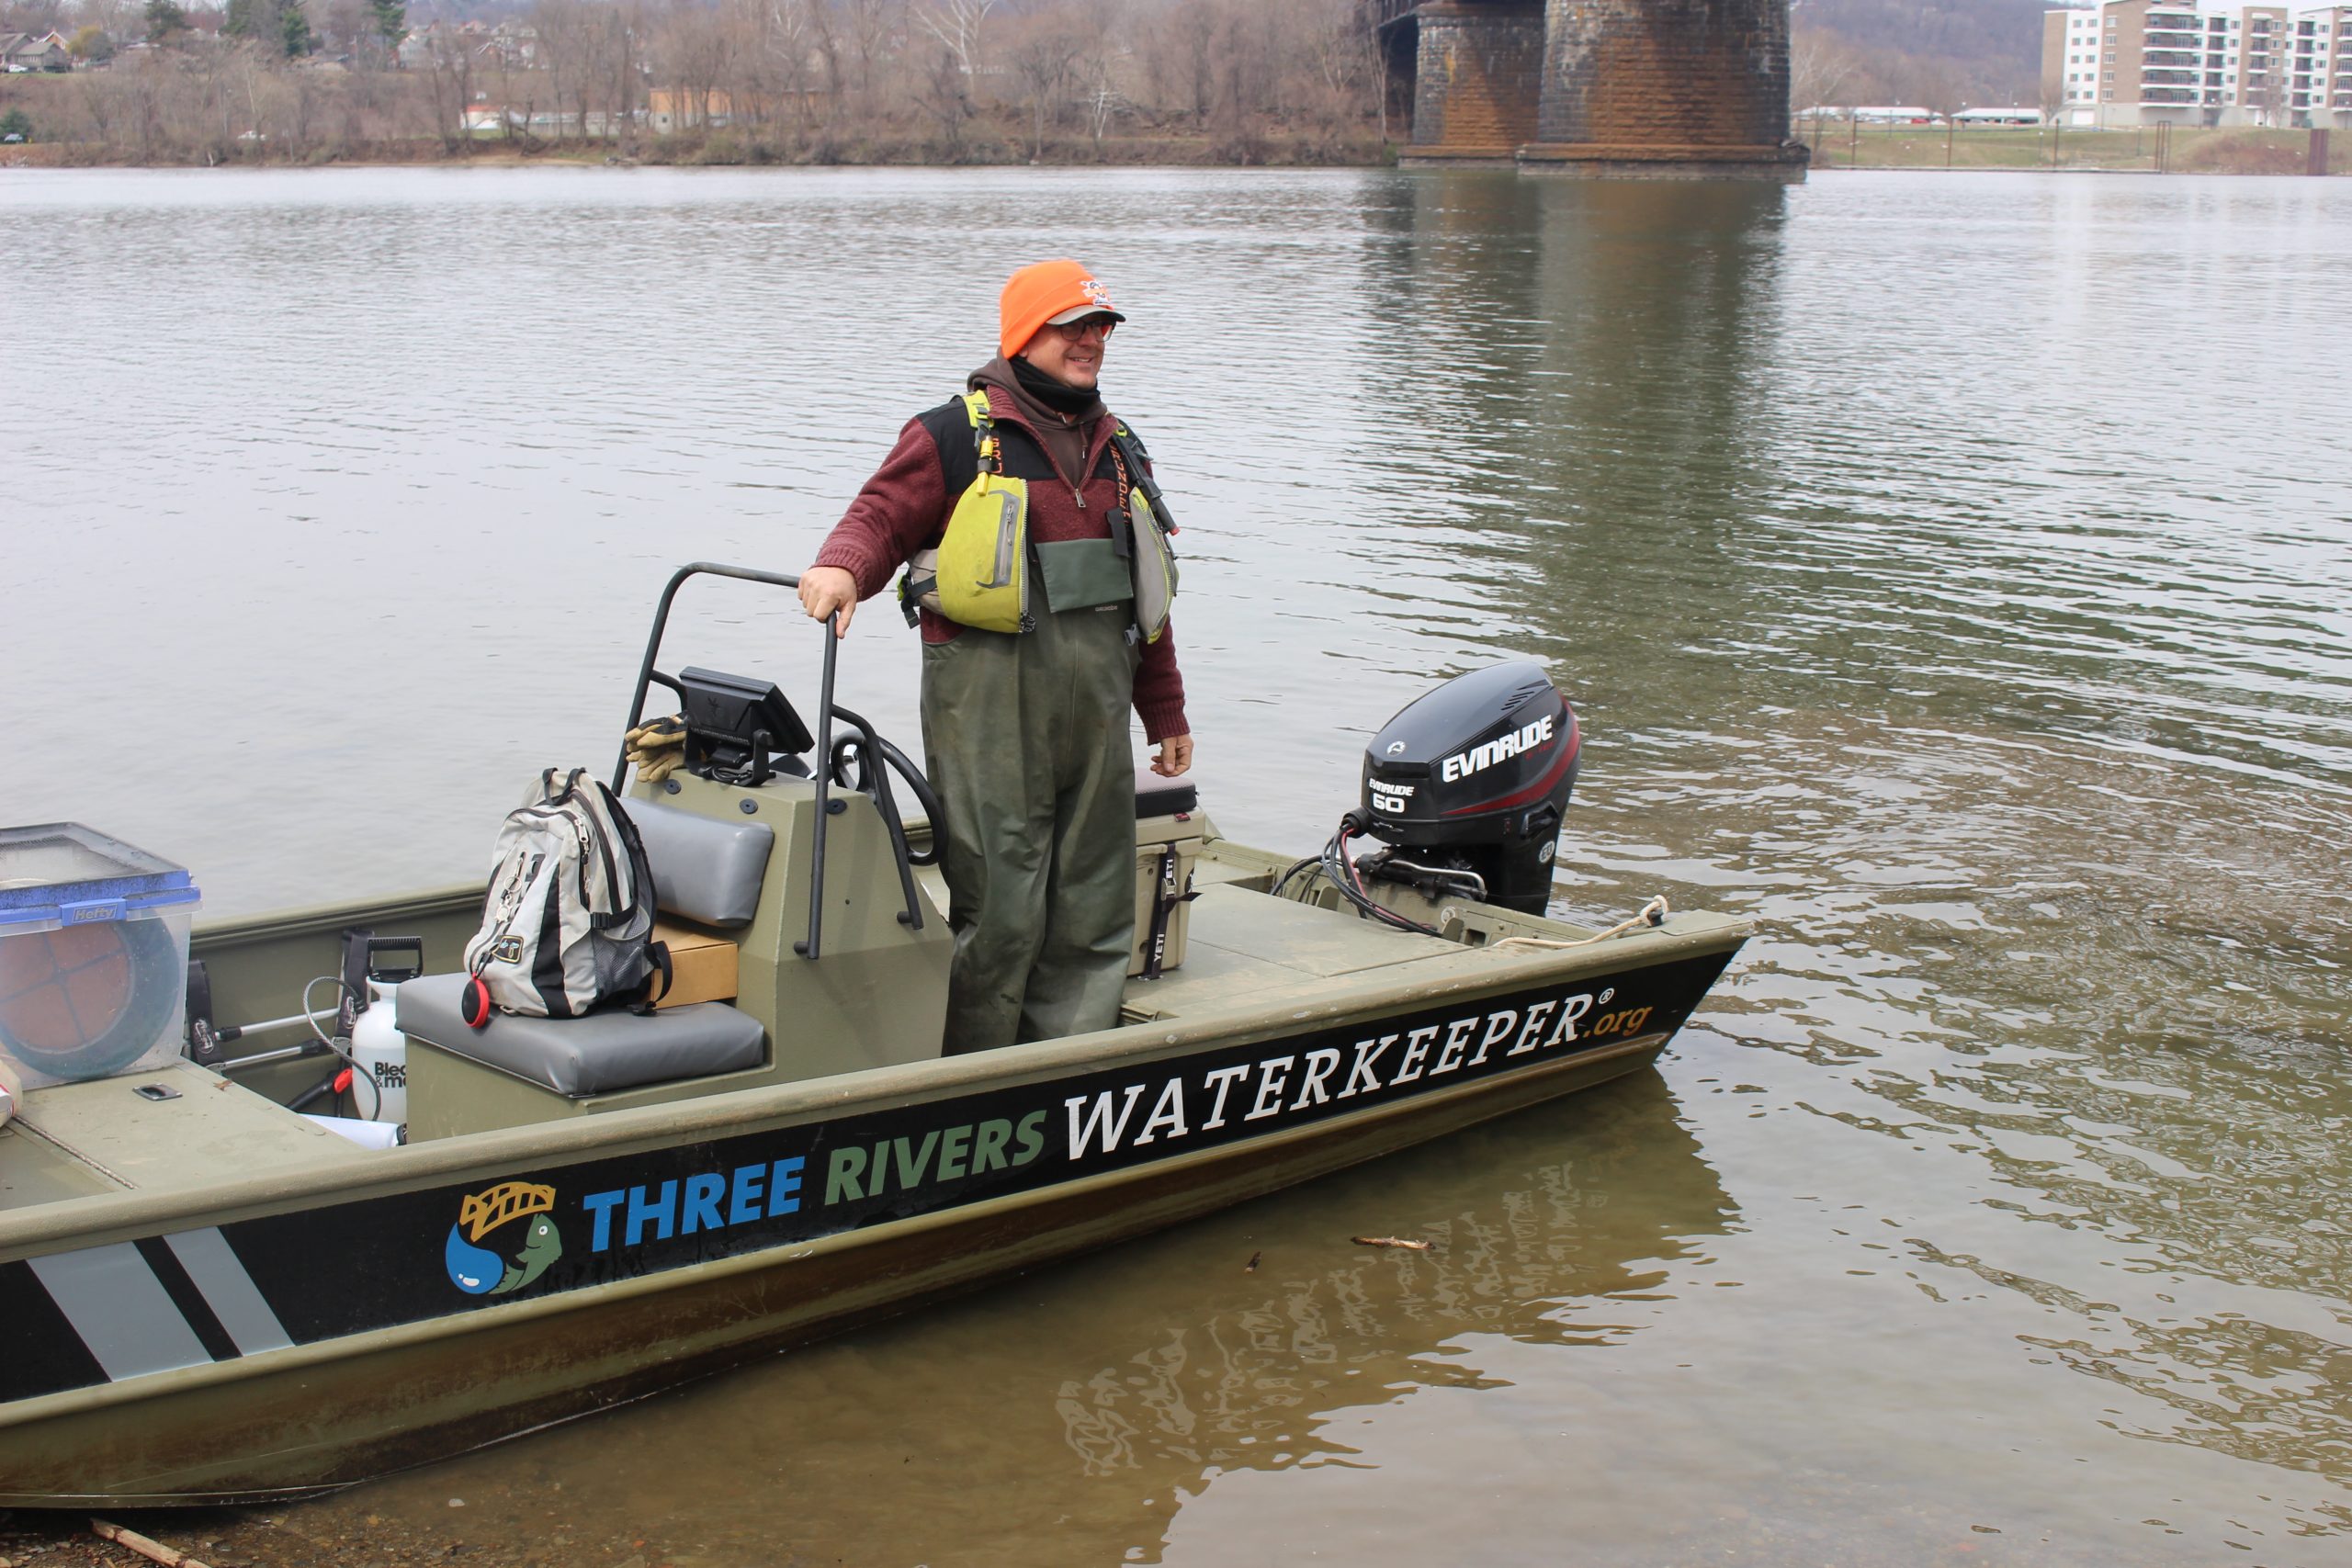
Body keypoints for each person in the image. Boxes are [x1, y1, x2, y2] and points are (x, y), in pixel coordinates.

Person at [797, 259, 1192, 1055]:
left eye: (1101, 328)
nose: (1091, 342)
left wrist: (1167, 712)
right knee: (1003, 906)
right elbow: (879, 515)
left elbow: (1146, 602)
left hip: (1098, 718)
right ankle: (975, 1070)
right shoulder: (951, 433)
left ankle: (1066, 1066)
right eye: (1072, 326)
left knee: (1094, 902)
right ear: (1023, 333)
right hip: (988, 715)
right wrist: (841, 565)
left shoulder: (1123, 452)